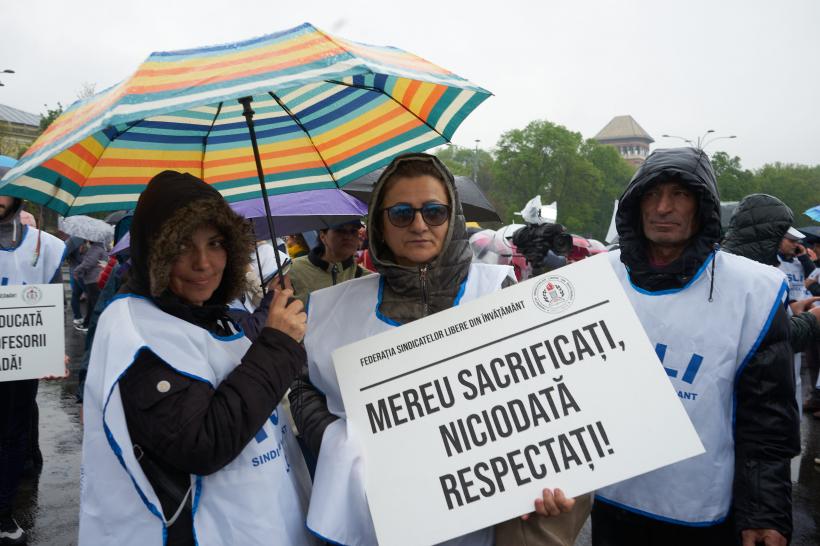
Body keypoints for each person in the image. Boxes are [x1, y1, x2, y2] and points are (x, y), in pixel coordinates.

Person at [291, 153, 584, 546]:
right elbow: (304, 387)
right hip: (373, 520)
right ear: (378, 222)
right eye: (400, 213)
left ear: (453, 216)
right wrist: (334, 439)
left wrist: (546, 474)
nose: (418, 225)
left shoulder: (499, 292)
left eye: (433, 211)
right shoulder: (333, 308)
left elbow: (547, 400)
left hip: (480, 526)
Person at [79, 171, 316, 546]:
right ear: (153, 254)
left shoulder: (206, 313)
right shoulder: (132, 327)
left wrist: (272, 323)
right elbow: (201, 443)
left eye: (216, 243)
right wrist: (277, 345)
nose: (203, 263)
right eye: (181, 247)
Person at [593, 148, 799, 546]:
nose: (663, 208)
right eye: (651, 195)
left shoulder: (752, 291)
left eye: (680, 195)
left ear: (703, 206)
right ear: (635, 205)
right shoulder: (598, 278)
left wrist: (763, 512)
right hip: (611, 502)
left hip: (700, 512)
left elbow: (768, 418)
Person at [0, 194, 66, 545]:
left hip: (18, 361)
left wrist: (54, 351)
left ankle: (2, 512)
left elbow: (53, 299)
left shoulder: (48, 247)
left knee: (13, 434)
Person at [289, 219, 370, 305]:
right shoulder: (293, 270)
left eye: (353, 231)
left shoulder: (367, 279)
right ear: (323, 236)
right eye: (340, 230)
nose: (348, 236)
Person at [73, 238, 107, 332]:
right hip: (96, 279)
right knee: (92, 304)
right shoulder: (100, 248)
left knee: (93, 304)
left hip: (93, 280)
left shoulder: (95, 249)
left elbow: (88, 263)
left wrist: (76, 271)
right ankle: (88, 323)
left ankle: (91, 325)